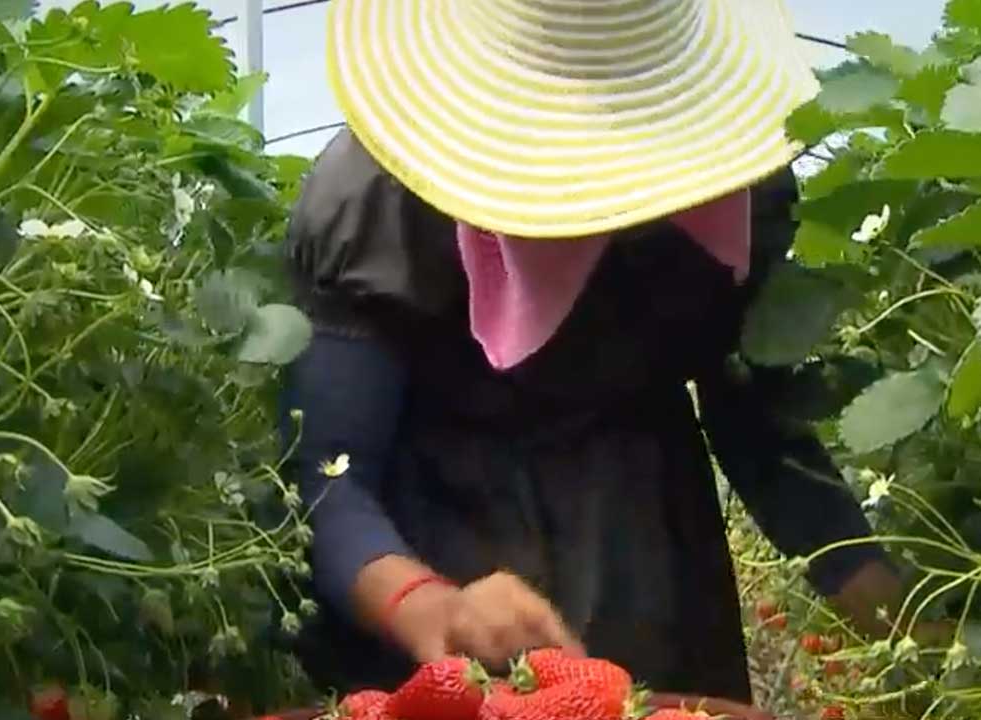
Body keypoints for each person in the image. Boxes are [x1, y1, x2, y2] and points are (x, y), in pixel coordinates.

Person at [282, 0, 911, 713]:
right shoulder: (380, 200)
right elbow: (331, 478)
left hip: (645, 543)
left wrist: (921, 640)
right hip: (434, 543)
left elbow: (760, 432)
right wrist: (429, 607)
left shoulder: (733, 183)